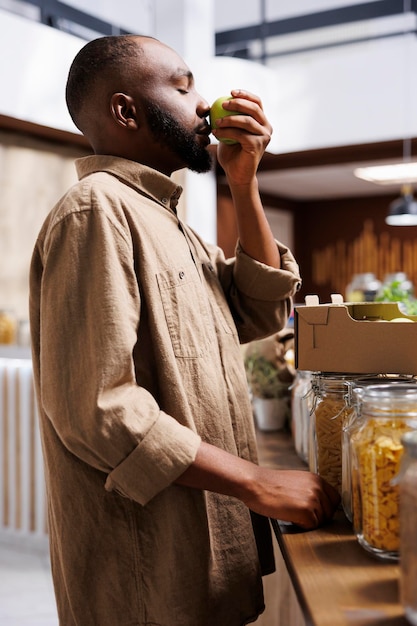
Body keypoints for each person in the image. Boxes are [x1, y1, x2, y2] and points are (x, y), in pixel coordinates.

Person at [29, 34, 339, 626]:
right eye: (182, 86)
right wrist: (255, 482)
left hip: (202, 556)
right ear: (127, 112)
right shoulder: (96, 209)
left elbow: (258, 308)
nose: (204, 105)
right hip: (146, 571)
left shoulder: (169, 222)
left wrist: (243, 182)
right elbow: (99, 408)